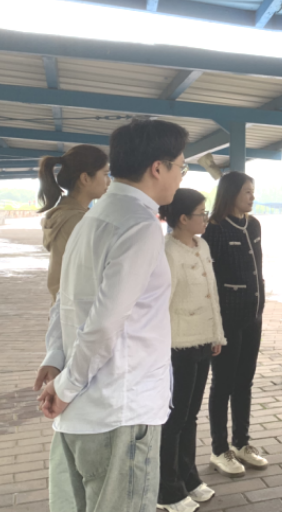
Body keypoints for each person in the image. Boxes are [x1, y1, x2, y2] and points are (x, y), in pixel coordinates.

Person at [34, 118, 189, 512]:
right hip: (121, 409)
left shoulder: (92, 217)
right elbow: (105, 322)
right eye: (181, 166)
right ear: (158, 168)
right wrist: (65, 387)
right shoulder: (139, 225)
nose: (180, 176)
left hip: (84, 411)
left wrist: (57, 359)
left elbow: (65, 299)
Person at [157, 189, 226, 511]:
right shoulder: (166, 252)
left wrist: (217, 335)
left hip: (202, 342)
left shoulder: (203, 245)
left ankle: (189, 478)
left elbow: (212, 294)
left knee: (190, 415)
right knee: (175, 418)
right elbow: (160, 305)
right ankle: (167, 490)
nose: (206, 218)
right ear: (183, 219)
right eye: (201, 213)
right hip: (177, 345)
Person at [203, 171, 268, 477]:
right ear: (231, 194)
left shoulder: (253, 225)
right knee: (223, 384)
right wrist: (214, 326)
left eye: (253, 191)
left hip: (253, 317)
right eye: (247, 192)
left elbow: (257, 268)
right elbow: (209, 280)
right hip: (226, 321)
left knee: (245, 382)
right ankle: (219, 449)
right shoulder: (214, 229)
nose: (252, 197)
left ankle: (242, 442)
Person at [37, 145, 110, 304]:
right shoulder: (77, 220)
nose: (109, 181)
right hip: (76, 309)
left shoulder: (63, 215)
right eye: (105, 174)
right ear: (85, 178)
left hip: (64, 307)